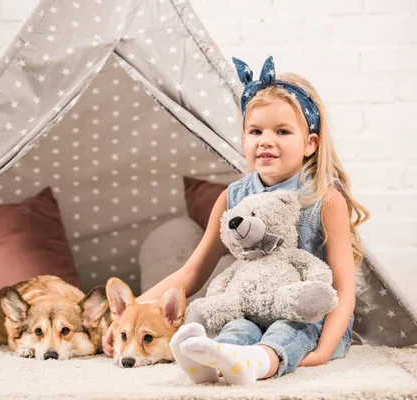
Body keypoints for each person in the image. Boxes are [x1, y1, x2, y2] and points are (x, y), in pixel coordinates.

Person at [102, 56, 370, 385]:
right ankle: (213, 361)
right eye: (255, 131)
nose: (266, 140)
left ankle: (257, 363)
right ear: (243, 139)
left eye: (282, 131)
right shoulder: (232, 198)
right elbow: (192, 272)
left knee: (288, 330)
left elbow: (342, 288)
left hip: (309, 315)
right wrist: (131, 313)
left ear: (310, 144)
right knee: (236, 328)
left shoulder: (324, 199)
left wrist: (326, 349)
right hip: (252, 308)